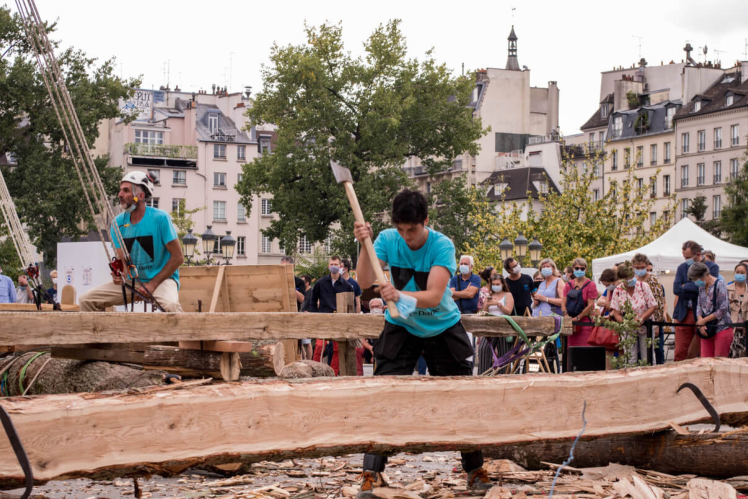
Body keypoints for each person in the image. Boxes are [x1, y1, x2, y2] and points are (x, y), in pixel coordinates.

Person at [353, 189, 492, 497]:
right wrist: (364, 245)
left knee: (459, 399)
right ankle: (371, 472)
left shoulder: (442, 245)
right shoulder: (388, 239)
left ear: (425, 221)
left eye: (412, 230)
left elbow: (432, 295)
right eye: (401, 230)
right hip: (401, 326)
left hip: (442, 326)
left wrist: (398, 295)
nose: (406, 237)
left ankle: (474, 469)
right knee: (384, 395)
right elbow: (364, 281)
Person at [79, 172, 184, 312]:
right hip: (132, 282)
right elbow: (123, 264)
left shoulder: (160, 219)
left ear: (140, 196)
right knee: (86, 300)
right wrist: (119, 275)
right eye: (120, 189)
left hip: (162, 281)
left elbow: (178, 258)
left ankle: (186, 334)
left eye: (126, 190)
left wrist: (152, 285)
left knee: (171, 306)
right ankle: (99, 334)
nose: (120, 194)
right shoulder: (117, 223)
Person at [672, 241, 719, 361]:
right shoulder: (682, 267)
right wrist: (694, 287)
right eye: (684, 257)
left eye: (688, 257)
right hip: (684, 313)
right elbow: (676, 289)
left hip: (703, 314)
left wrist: (685, 286)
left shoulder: (712, 267)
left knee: (702, 351)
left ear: (697, 254)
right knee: (679, 352)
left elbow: (708, 288)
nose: (685, 260)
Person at [310, 256, 354, 375]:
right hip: (323, 319)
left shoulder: (347, 286)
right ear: (328, 266)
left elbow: (351, 305)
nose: (333, 266)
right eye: (331, 264)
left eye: (336, 264)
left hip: (339, 321)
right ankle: (315, 372)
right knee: (319, 347)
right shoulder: (320, 283)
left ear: (340, 266)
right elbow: (312, 301)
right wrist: (315, 316)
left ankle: (333, 374)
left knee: (337, 349)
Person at [610, 264, 658, 363]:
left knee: (648, 357)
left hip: (645, 327)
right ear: (622, 279)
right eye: (627, 278)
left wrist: (642, 318)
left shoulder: (643, 286)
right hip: (628, 329)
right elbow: (617, 313)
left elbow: (653, 306)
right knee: (630, 358)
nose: (630, 279)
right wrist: (627, 323)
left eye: (632, 276)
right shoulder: (618, 291)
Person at [689, 262, 732, 358]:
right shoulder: (701, 287)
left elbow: (723, 308)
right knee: (705, 360)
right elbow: (699, 306)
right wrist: (701, 323)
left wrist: (704, 320)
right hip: (706, 330)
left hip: (722, 328)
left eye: (696, 279)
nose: (695, 282)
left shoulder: (720, 284)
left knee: (719, 361)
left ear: (703, 275)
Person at [562, 258, 597, 347]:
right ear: (573, 269)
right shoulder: (568, 285)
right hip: (570, 324)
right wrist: (566, 316)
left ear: (586, 269)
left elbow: (590, 305)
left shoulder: (590, 284)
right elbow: (563, 303)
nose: (579, 270)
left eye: (582, 268)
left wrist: (578, 318)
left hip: (585, 323)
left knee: (584, 351)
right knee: (570, 351)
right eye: (577, 268)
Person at [644, 259, 668, 364]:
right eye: (647, 270)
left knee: (658, 349)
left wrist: (663, 314)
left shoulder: (658, 285)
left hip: (657, 320)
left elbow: (663, 302)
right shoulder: (640, 285)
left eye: (651, 270)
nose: (649, 272)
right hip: (645, 320)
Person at [728, 262, 748, 358]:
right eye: (737, 272)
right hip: (729, 327)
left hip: (745, 330)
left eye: (742, 273)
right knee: (729, 354)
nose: (739, 274)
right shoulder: (726, 288)